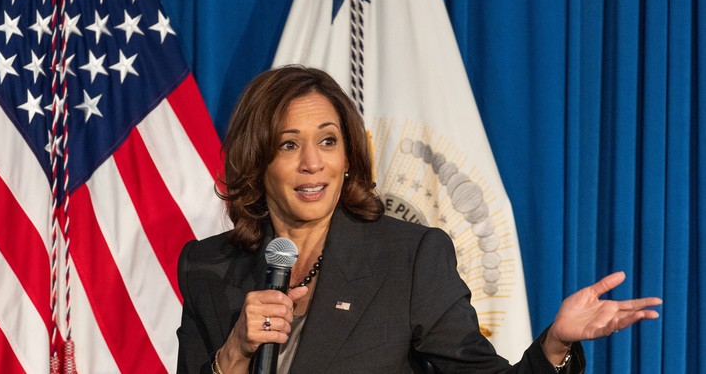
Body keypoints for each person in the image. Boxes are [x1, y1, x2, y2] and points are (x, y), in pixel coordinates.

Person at [176, 66, 662, 373]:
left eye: (328, 141)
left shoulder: (408, 257)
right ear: (256, 160)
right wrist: (235, 352)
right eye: (288, 145)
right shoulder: (206, 266)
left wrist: (554, 344)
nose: (312, 163)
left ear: (348, 157)